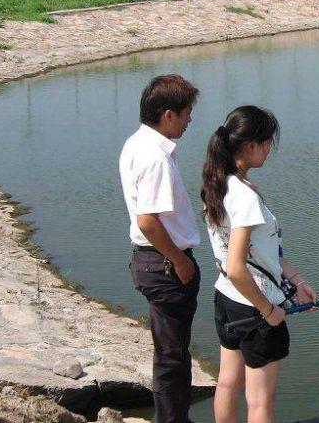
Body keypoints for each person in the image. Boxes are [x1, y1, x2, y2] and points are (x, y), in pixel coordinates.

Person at [200, 105, 317, 423]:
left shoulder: (217, 183)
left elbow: (257, 253)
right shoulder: (246, 197)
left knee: (226, 382)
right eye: (266, 142)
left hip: (226, 300)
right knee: (260, 402)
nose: (269, 149)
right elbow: (239, 266)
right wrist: (268, 310)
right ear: (249, 145)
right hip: (255, 308)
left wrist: (296, 279)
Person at [119, 74, 201, 423]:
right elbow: (148, 221)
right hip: (164, 266)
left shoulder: (136, 143)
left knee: (170, 352)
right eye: (186, 114)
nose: (189, 120)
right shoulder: (155, 157)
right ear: (168, 115)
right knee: (173, 357)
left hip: (153, 263)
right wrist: (180, 261)